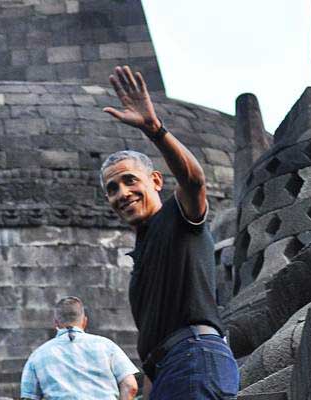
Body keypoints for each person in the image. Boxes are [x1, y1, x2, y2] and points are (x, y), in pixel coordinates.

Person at [100, 65, 240, 399]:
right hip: (168, 370)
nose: (122, 193)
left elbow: (193, 181)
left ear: (156, 181)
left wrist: (155, 129)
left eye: (130, 180)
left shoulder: (177, 221)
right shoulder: (143, 255)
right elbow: (153, 344)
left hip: (195, 355)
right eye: (112, 188)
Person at [20, 296, 138, 400]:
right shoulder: (107, 346)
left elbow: (28, 397)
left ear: (56, 323)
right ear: (84, 321)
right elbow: (130, 386)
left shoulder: (38, 355)